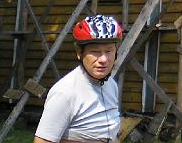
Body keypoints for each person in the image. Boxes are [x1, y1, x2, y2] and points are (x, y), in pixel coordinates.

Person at [34, 14, 123, 143]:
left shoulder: (111, 85)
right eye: (95, 52)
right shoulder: (65, 92)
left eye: (109, 51)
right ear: (79, 53)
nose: (103, 59)